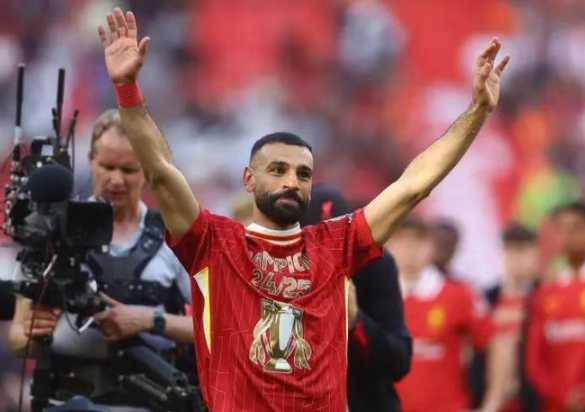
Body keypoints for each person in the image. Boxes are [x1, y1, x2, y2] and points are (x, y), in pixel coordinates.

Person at [96, 7, 509, 411]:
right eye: (277, 170)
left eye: (303, 173)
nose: (292, 181)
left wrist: (476, 112)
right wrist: (128, 90)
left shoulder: (335, 246)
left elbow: (414, 185)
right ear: (249, 180)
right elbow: (160, 172)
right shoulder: (215, 244)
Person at [9, 109, 194, 411]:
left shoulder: (175, 238)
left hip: (152, 400)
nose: (116, 180)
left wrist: (149, 320)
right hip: (66, 401)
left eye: (129, 170)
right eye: (108, 166)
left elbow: (219, 328)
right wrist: (30, 335)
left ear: (148, 170)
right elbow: (19, 337)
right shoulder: (52, 232)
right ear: (91, 159)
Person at [299, 184, 412, 412]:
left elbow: (399, 362)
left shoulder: (376, 264)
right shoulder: (278, 266)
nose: (328, 252)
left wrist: (355, 321)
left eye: (338, 240)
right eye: (317, 242)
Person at [389, 217, 503, 412]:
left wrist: (492, 403)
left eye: (418, 241)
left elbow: (496, 342)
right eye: (401, 241)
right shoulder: (375, 296)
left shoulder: (459, 293)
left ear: (430, 246)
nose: (409, 249)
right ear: (388, 246)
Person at [526, 202, 585, 412]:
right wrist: (562, 396)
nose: (568, 236)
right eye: (562, 229)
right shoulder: (545, 294)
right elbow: (534, 362)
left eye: (576, 227)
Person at [485, 223, 539, 412]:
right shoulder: (487, 299)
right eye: (510, 251)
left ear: (534, 254)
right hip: (493, 397)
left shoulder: (544, 297)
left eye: (522, 251)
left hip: (533, 399)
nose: (516, 259)